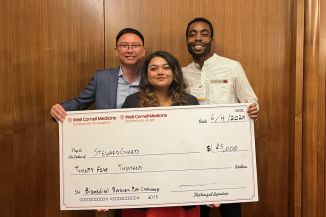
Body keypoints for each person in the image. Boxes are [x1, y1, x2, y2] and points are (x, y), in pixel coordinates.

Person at [182, 17, 259, 217]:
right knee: (199, 213)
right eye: (192, 34)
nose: (198, 38)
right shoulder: (181, 73)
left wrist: (253, 109)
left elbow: (250, 101)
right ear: (187, 40)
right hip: (195, 157)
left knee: (231, 211)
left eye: (204, 33)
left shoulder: (232, 67)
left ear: (211, 39)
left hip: (228, 155)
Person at [121, 50, 200, 217]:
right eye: (154, 68)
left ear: (174, 72)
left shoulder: (190, 102)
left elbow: (199, 145)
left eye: (166, 67)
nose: (160, 72)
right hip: (142, 188)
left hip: (183, 189)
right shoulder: (132, 102)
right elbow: (121, 144)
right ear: (146, 74)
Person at [50, 28, 145, 121]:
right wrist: (59, 109)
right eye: (124, 45)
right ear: (116, 51)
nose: (130, 50)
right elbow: (79, 103)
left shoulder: (151, 79)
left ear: (143, 51)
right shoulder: (101, 79)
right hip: (108, 134)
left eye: (135, 45)